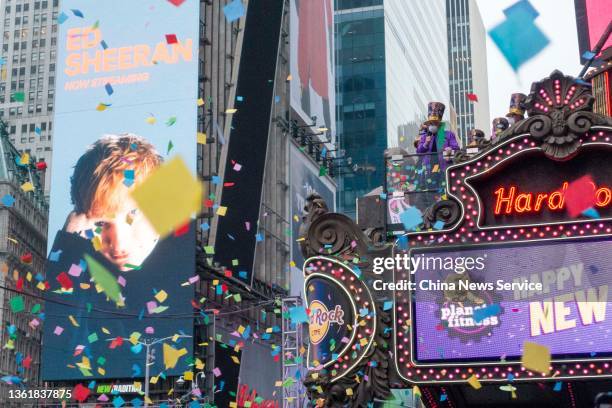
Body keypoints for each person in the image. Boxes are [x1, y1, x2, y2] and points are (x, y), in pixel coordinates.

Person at [42, 134, 195, 380]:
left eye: (132, 216)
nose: (118, 243)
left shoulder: (187, 258)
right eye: (102, 223)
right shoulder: (84, 273)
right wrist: (68, 243)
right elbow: (58, 358)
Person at [416, 102, 460, 171]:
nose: (432, 125)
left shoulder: (448, 134)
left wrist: (450, 149)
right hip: (428, 170)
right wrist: (426, 144)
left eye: (435, 123)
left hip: (444, 168)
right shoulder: (425, 136)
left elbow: (456, 149)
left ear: (439, 124)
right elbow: (418, 152)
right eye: (430, 123)